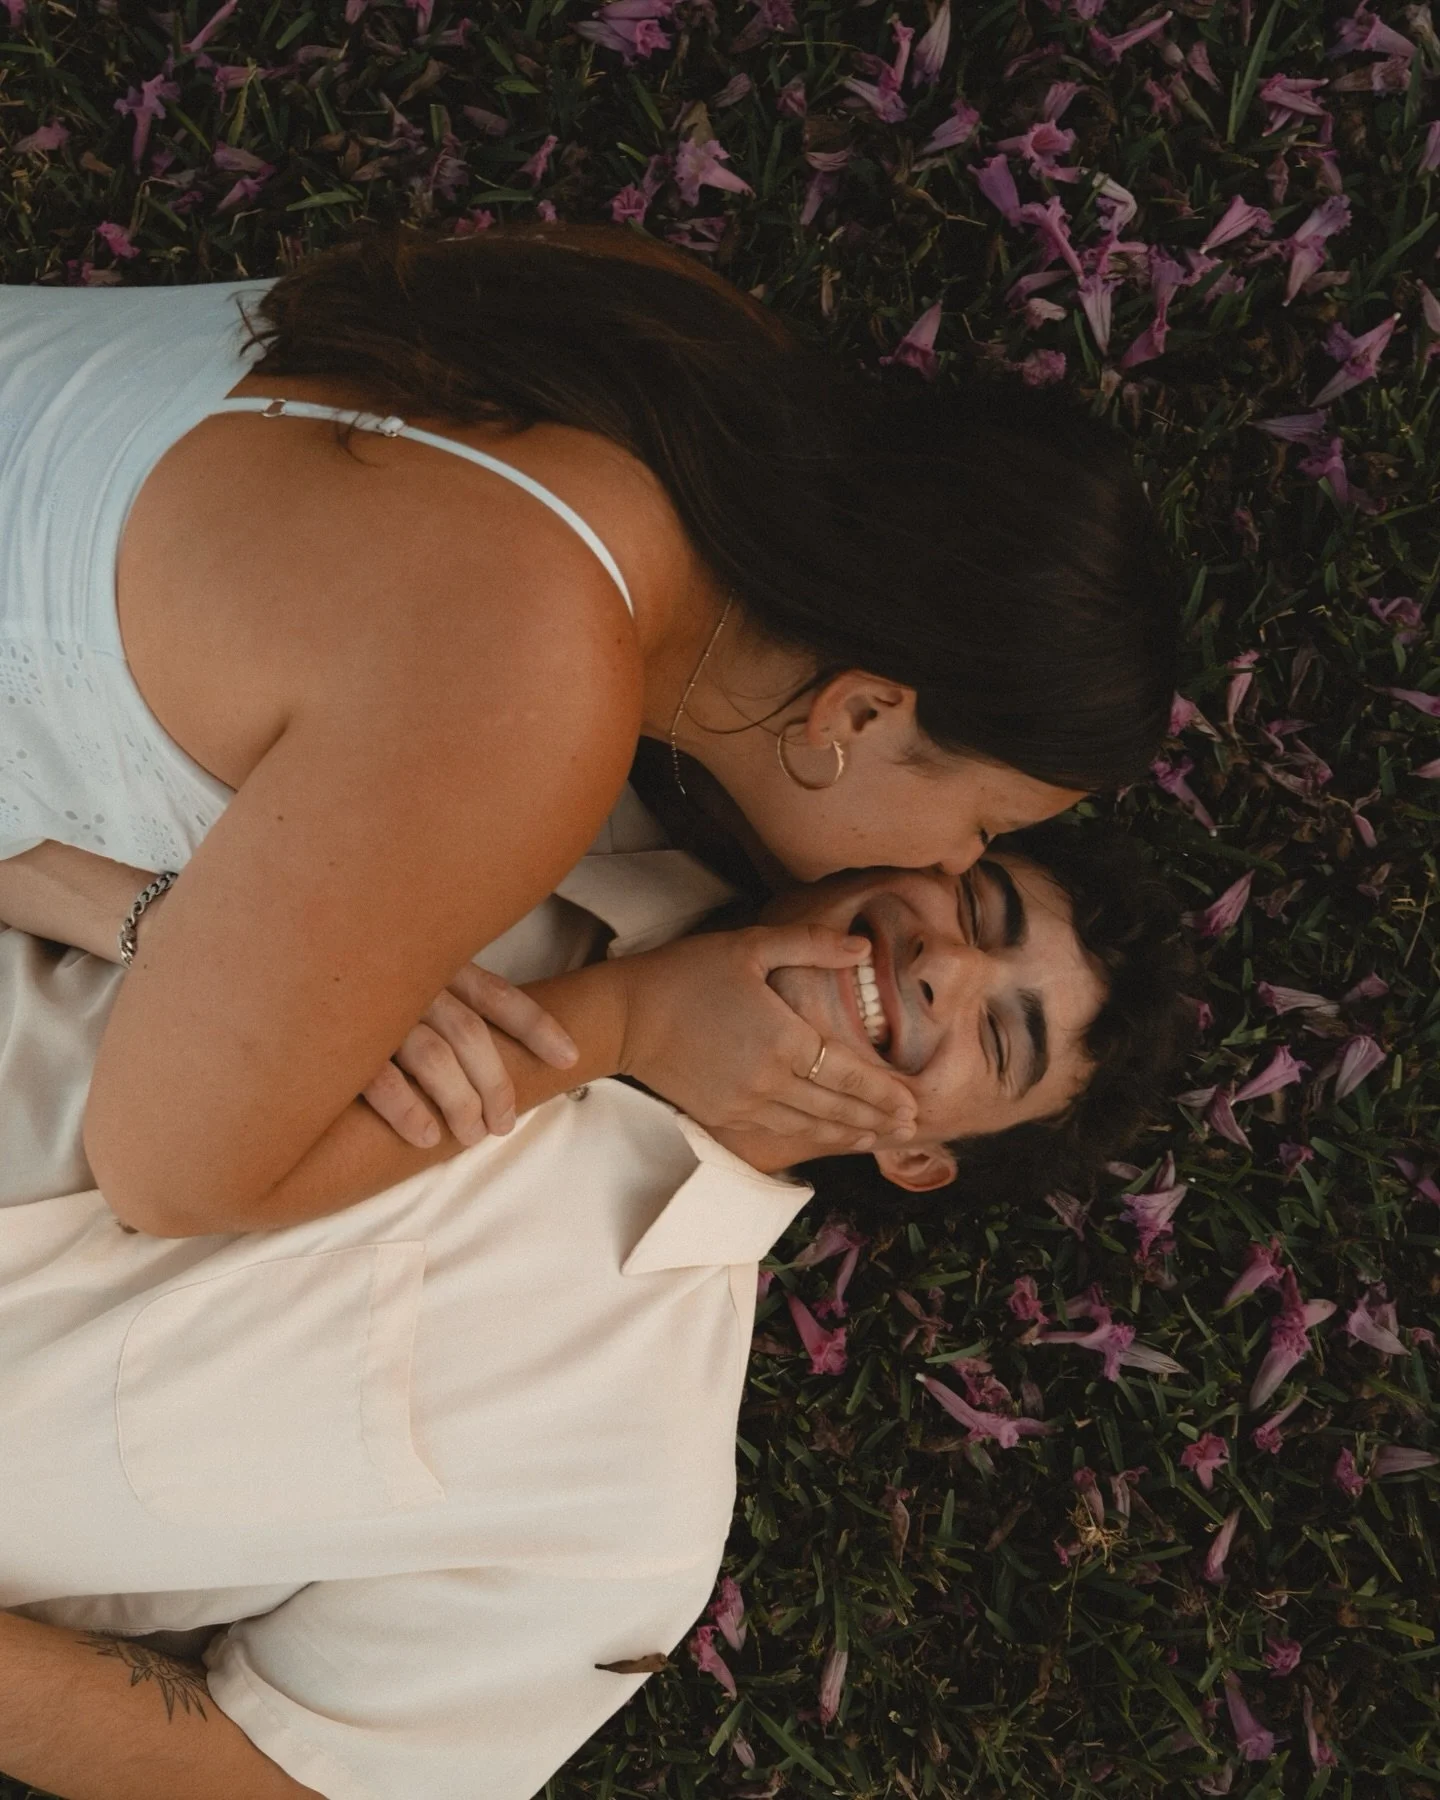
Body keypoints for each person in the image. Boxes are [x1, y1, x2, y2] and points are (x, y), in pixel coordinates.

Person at [0, 219, 1180, 1238]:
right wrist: (632, 1017)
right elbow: (173, 1176)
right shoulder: (534, 685)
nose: (950, 866)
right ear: (860, 711)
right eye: (983, 824)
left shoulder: (661, 349)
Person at [0, 828, 1190, 1800]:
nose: (944, 966)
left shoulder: (632, 1493)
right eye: (977, 909)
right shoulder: (527, 823)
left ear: (921, 1157)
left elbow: (282, 1773)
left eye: (998, 1032)